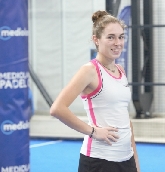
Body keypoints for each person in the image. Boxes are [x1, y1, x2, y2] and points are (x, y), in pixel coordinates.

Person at [50, 10, 140, 172]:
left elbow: (124, 118)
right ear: (96, 40)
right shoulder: (89, 71)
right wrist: (92, 131)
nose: (117, 42)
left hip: (126, 159)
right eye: (110, 37)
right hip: (99, 160)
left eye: (121, 37)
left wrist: (135, 161)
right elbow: (57, 108)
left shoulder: (120, 70)